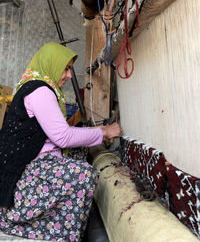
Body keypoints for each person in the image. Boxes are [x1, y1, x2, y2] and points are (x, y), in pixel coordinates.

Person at [0, 42, 122, 242]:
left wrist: (94, 135)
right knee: (84, 174)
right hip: (20, 179)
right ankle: (59, 232)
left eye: (70, 69)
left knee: (80, 153)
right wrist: (102, 131)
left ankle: (57, 224)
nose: (69, 75)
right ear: (51, 64)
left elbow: (57, 135)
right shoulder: (40, 90)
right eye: (65, 68)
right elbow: (62, 137)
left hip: (26, 165)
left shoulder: (36, 86)